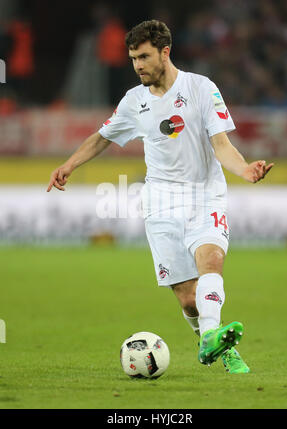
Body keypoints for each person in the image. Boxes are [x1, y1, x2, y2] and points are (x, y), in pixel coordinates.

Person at [47, 20, 273, 374]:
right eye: (133, 58)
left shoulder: (201, 89)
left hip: (205, 195)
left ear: (165, 52)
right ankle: (208, 341)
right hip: (161, 203)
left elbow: (222, 145)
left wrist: (244, 169)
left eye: (144, 57)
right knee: (187, 297)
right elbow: (103, 136)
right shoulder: (134, 101)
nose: (137, 65)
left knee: (211, 259)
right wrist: (69, 164)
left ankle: (216, 340)